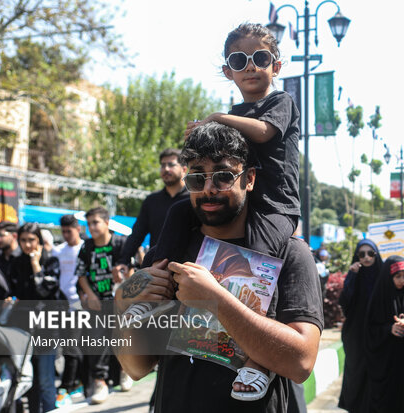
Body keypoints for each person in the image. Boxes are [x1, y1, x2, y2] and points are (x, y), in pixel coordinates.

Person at [113, 122, 322, 413]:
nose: (209, 189)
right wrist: (124, 305)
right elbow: (137, 367)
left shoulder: (289, 253)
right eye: (197, 178)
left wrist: (216, 299)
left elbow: (301, 363)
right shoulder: (167, 255)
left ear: (249, 178)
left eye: (223, 176)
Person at [151, 22, 301, 400]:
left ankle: (259, 361)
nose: (251, 66)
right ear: (227, 70)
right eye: (240, 59)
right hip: (241, 203)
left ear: (276, 66)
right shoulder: (234, 114)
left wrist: (216, 118)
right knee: (180, 210)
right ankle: (152, 284)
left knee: (260, 268)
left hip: (274, 207)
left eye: (260, 58)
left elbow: (265, 132)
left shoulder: (280, 102)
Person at [74, 207, 131, 404]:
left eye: (95, 222)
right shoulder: (87, 246)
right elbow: (81, 275)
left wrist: (125, 293)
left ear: (107, 223)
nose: (91, 227)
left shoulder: (121, 243)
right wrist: (90, 295)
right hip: (97, 303)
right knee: (96, 343)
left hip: (121, 301)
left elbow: (132, 270)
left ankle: (125, 371)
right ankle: (100, 382)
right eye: (88, 224)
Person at [364, 255, 404, 413]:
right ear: (389, 276)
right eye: (397, 276)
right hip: (386, 363)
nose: (402, 280)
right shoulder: (379, 297)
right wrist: (389, 329)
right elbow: (370, 330)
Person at [9, 222, 61, 413]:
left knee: (46, 380)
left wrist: (35, 265)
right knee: (27, 380)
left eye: (31, 240)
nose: (27, 244)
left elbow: (45, 291)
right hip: (24, 330)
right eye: (23, 240)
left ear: (39, 240)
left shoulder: (51, 261)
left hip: (47, 329)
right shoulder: (16, 263)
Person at [113, 148, 188, 278]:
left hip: (187, 269)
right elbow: (137, 234)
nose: (166, 169)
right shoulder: (152, 201)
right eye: (163, 165)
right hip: (157, 268)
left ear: (184, 169)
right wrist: (123, 261)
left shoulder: (193, 199)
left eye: (171, 164)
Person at [338, 239, 383, 413]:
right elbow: (345, 302)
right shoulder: (354, 275)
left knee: (376, 370)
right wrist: (352, 276)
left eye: (370, 253)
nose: (366, 258)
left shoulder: (382, 275)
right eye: (362, 254)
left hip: (378, 332)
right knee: (356, 371)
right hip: (356, 333)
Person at [51, 214, 85, 405]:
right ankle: (75, 382)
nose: (65, 235)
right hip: (61, 305)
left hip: (80, 305)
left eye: (69, 231)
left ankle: (67, 386)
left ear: (78, 229)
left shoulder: (85, 248)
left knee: (72, 346)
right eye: (63, 231)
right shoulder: (58, 251)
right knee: (68, 346)